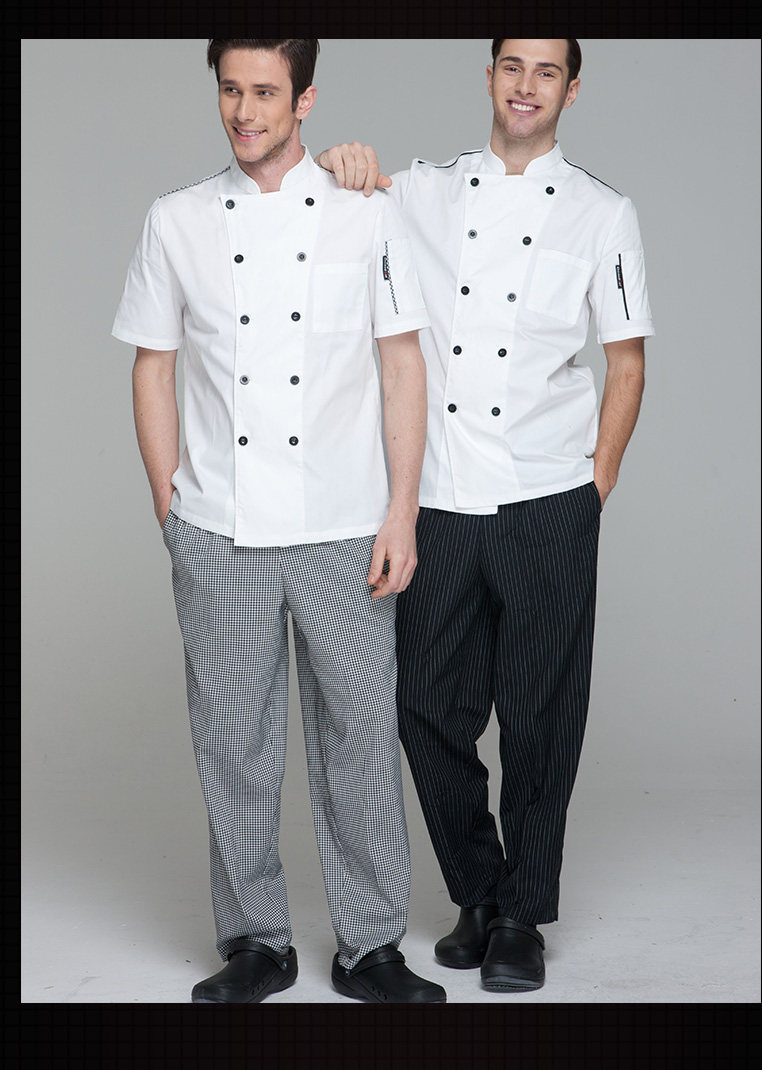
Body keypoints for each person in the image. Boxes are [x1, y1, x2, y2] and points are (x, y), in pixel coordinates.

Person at [112, 37, 447, 1005]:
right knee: (233, 743)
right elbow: (153, 366)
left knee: (362, 737)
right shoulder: (176, 220)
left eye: (265, 92)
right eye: (231, 89)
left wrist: (402, 510)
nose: (243, 111)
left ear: (305, 99)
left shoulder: (364, 210)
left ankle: (371, 944)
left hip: (346, 523)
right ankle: (256, 939)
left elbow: (402, 363)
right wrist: (171, 506)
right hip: (220, 526)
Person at [317, 38, 655, 992]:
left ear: (571, 90)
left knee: (542, 717)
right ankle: (476, 886)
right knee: (426, 705)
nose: (525, 85)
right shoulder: (425, 190)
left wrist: (594, 483)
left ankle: (519, 916)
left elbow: (625, 361)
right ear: (492, 75)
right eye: (512, 66)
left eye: (546, 72)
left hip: (548, 495)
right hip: (437, 495)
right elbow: (350, 193)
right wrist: (342, 160)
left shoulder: (602, 211)